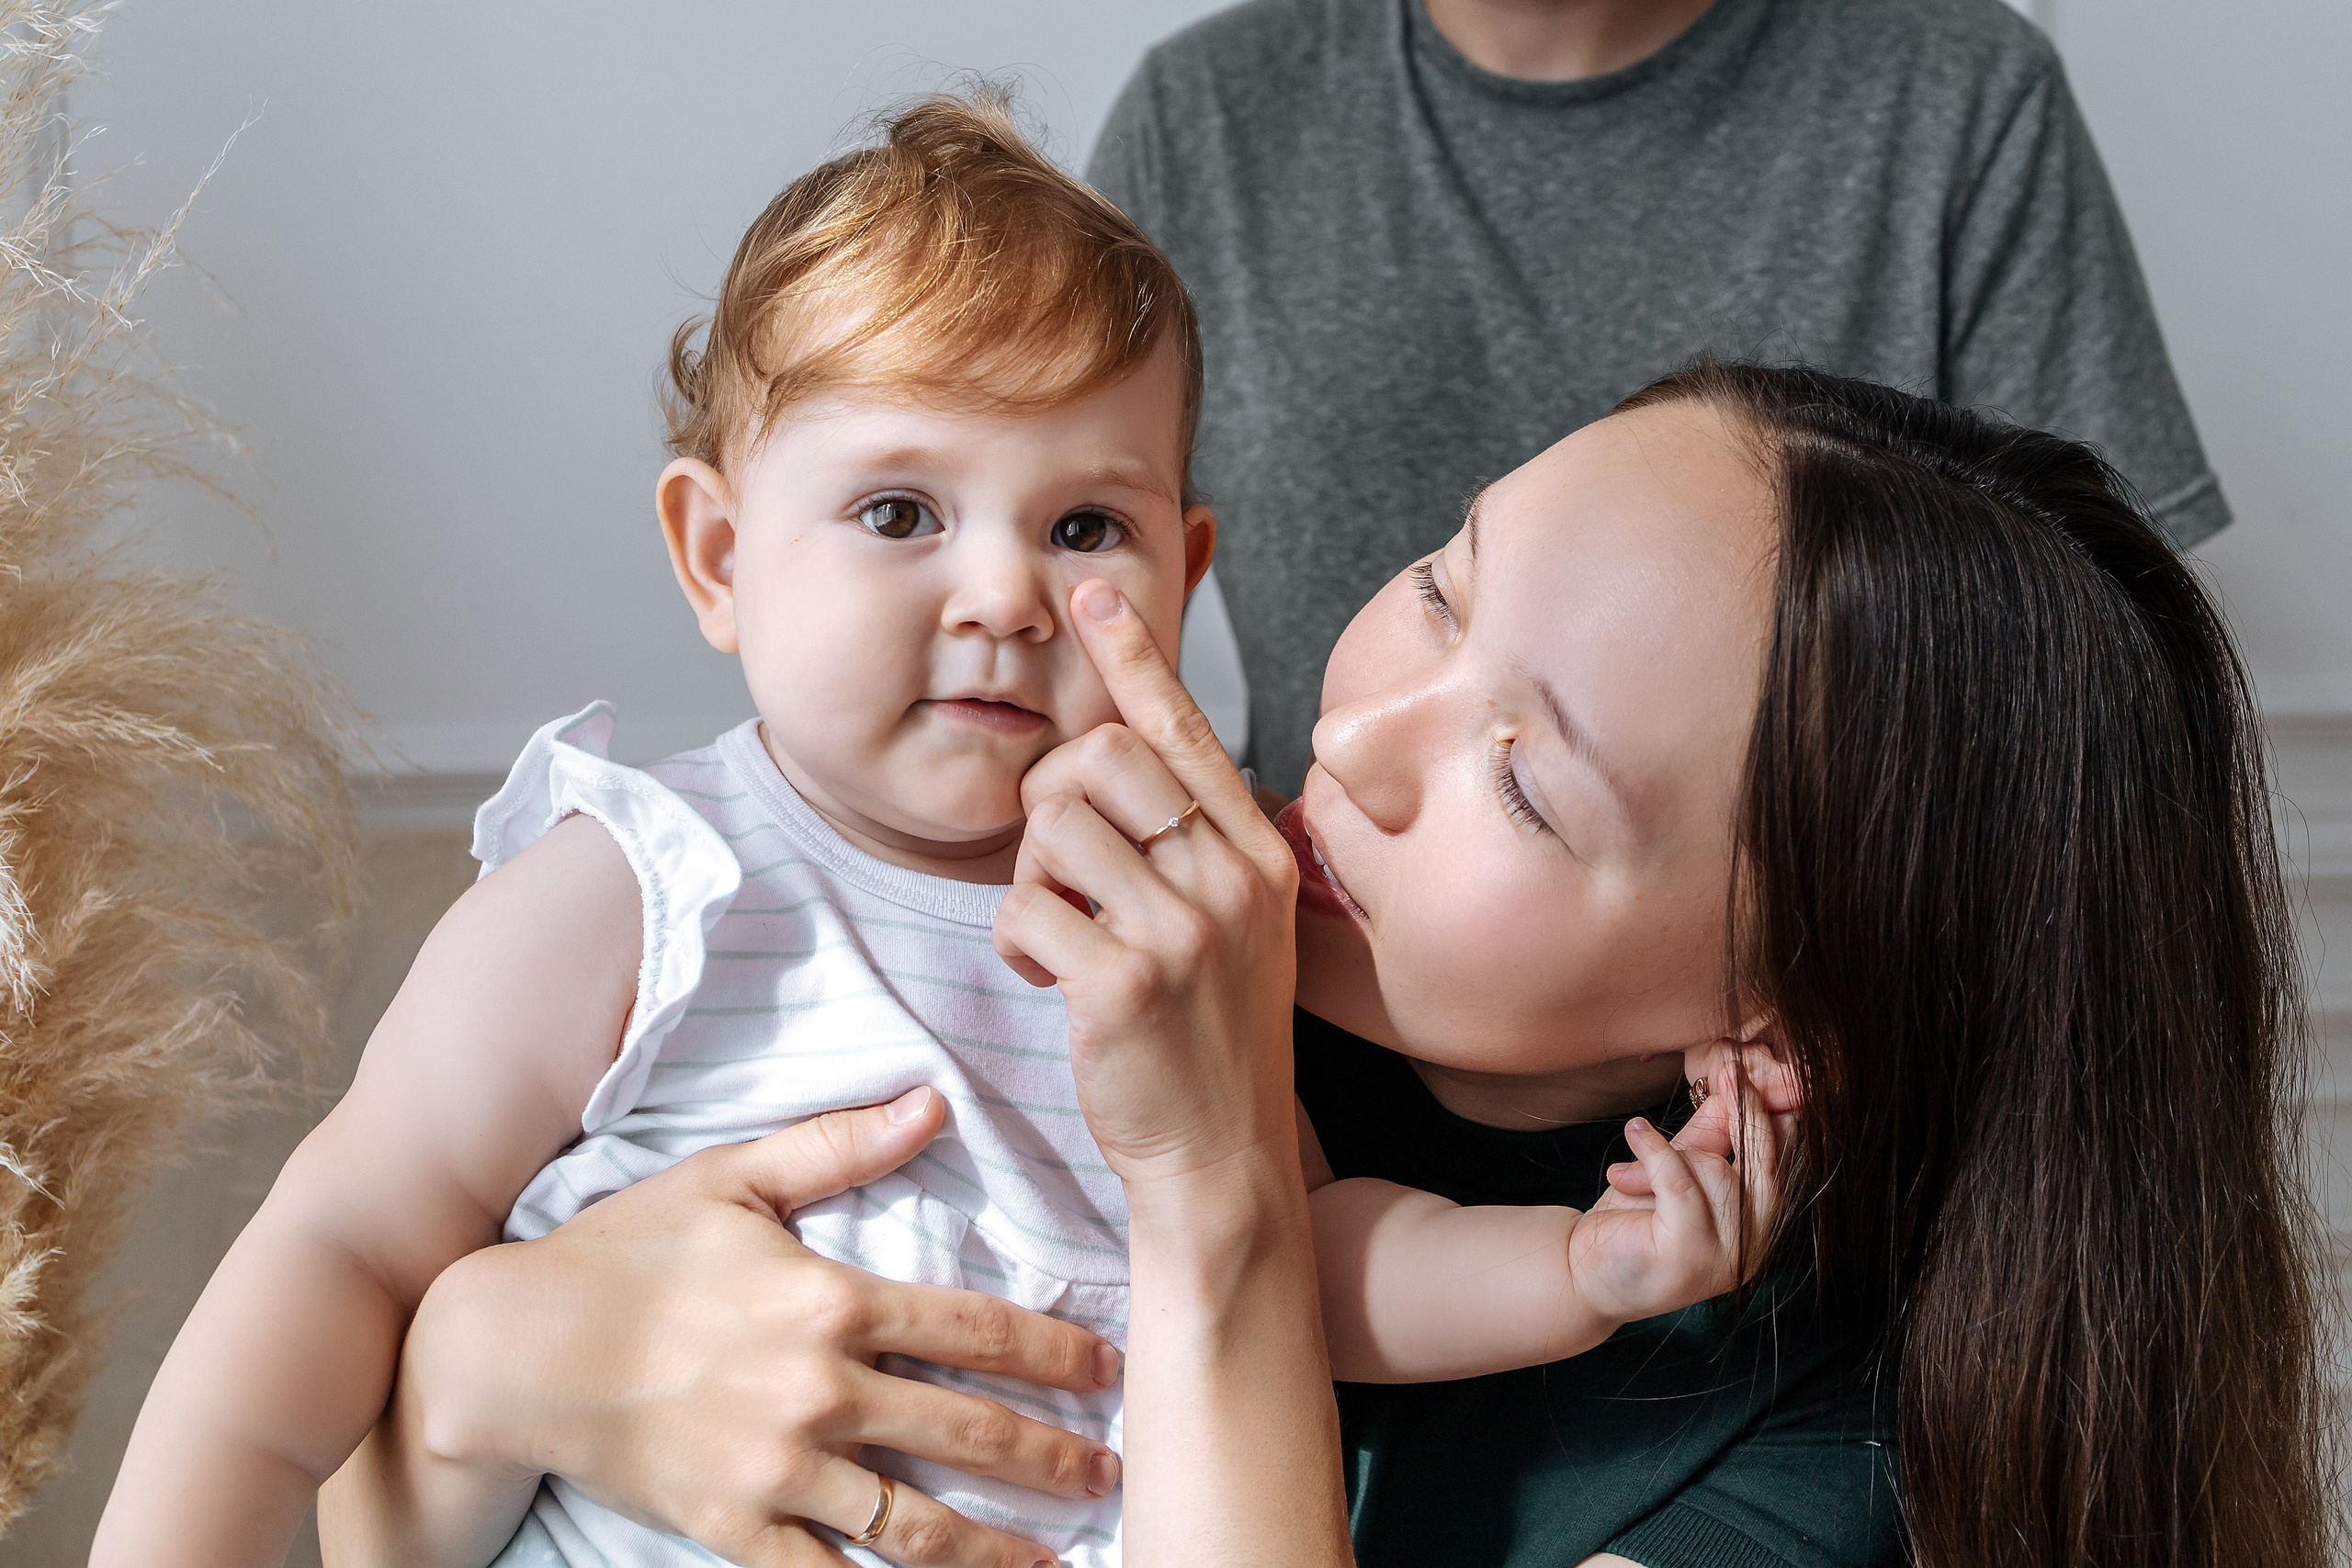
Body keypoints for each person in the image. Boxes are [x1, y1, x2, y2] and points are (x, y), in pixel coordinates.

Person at [95, 96, 1770, 1568]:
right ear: (720, 557)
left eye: (1085, 527)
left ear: (1185, 576)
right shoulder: (639, 885)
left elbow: (1299, 1270)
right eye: (901, 510)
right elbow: (339, 1246)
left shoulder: (1169, 937)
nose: (1001, 595)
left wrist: (1580, 1268)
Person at [323, 364, 2325, 1568]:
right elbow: (383, 1524)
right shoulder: (1029, 936)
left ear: (1773, 1028)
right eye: (1441, 586)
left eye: (1524, 782)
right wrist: (495, 1361)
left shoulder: (1825, 1465)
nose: (1351, 736)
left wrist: (1212, 1191)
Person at [1086, 0, 2233, 794]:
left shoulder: (1959, 93)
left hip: (1812, 1027)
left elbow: (2103, 695)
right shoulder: (1201, 114)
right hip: (1301, 1004)